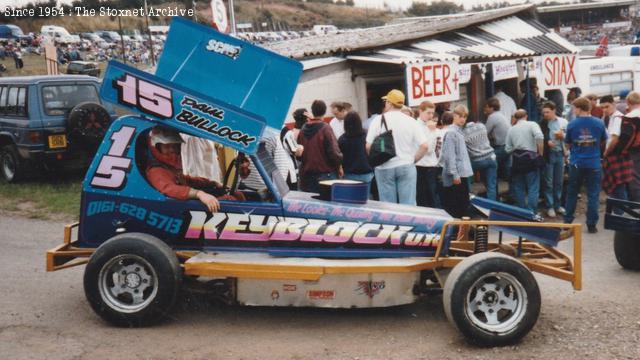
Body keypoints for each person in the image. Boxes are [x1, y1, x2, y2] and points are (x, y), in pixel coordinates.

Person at [145, 127, 243, 213]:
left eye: (174, 146)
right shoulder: (156, 170)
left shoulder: (170, 167)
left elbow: (187, 180)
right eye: (166, 147)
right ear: (157, 148)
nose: (172, 150)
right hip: (177, 209)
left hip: (183, 206)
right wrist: (199, 194)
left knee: (237, 195)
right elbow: (171, 189)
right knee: (228, 199)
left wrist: (212, 184)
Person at [365, 89, 428, 205]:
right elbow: (424, 146)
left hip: (384, 168)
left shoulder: (378, 120)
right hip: (406, 165)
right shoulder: (411, 121)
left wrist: (377, 160)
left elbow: (368, 146)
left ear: (389, 103)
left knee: (388, 206)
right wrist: (413, 160)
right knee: (408, 205)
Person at [563, 97, 607, 233]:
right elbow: (603, 141)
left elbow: (568, 143)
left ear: (579, 108)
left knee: (572, 192)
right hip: (594, 162)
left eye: (574, 108)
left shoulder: (572, 124)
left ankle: (567, 222)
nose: (573, 111)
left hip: (577, 163)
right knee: (593, 194)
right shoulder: (599, 123)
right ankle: (591, 224)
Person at [297, 100, 343, 193]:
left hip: (307, 176)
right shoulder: (325, 128)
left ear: (312, 111)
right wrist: (339, 165)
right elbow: (334, 153)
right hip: (326, 176)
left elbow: (299, 154)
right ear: (324, 111)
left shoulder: (302, 130)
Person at [505, 109, 544, 213]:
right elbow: (539, 136)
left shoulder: (511, 129)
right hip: (531, 158)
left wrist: (517, 147)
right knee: (533, 187)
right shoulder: (532, 124)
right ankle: (531, 211)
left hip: (517, 160)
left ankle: (522, 212)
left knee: (519, 187)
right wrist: (540, 153)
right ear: (526, 116)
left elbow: (507, 149)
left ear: (515, 118)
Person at [439, 105, 473, 218]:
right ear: (454, 116)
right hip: (457, 175)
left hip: (461, 173)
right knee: (458, 204)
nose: (463, 119)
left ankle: (462, 228)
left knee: (462, 203)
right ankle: (459, 229)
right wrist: (454, 175)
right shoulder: (451, 133)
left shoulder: (458, 131)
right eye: (460, 116)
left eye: (465, 117)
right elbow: (450, 156)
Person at [601, 95, 631, 212]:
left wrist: (606, 153)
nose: (604, 110)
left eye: (606, 106)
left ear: (613, 104)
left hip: (616, 156)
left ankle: (621, 215)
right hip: (616, 156)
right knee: (616, 186)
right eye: (602, 107)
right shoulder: (611, 117)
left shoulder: (618, 118)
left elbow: (614, 139)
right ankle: (620, 214)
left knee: (618, 186)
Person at [540, 102, 567, 217]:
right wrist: (547, 142)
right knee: (549, 182)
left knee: (559, 181)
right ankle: (550, 206)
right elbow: (539, 138)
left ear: (554, 110)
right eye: (544, 112)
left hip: (560, 152)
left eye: (547, 112)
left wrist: (563, 136)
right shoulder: (542, 123)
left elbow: (568, 136)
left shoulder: (563, 121)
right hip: (549, 154)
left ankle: (558, 205)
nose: (545, 114)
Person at [415, 101, 443, 208]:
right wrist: (432, 132)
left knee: (433, 196)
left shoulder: (431, 126)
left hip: (431, 165)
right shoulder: (417, 126)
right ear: (420, 111)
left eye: (432, 113)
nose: (431, 116)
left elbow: (438, 147)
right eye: (428, 113)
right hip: (420, 165)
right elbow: (429, 149)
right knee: (424, 197)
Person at [463, 113, 497, 201]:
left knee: (465, 176)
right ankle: (491, 208)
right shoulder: (482, 126)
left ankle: (471, 198)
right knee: (491, 186)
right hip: (490, 157)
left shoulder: (463, 133)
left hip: (476, 160)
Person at [338, 111, 374, 190]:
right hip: (366, 172)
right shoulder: (367, 135)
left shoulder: (342, 139)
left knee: (351, 200)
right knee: (366, 200)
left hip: (349, 174)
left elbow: (339, 157)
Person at [484, 97, 511, 183]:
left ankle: (492, 190)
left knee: (489, 165)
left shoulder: (492, 117)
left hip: (501, 147)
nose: (485, 109)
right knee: (507, 170)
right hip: (508, 145)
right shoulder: (501, 114)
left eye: (486, 107)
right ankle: (512, 192)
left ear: (492, 108)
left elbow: (484, 132)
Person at [280, 108, 307, 190]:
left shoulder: (268, 130)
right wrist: (301, 147)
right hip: (288, 171)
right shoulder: (287, 133)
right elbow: (297, 152)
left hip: (275, 172)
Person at [623, 91, 640, 202]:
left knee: (635, 179)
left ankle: (637, 208)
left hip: (633, 150)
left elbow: (624, 139)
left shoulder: (628, 117)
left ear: (628, 102)